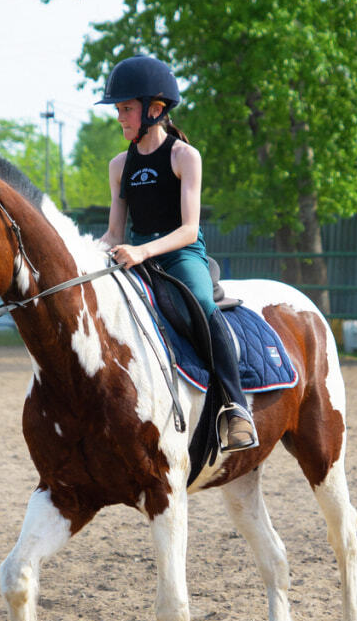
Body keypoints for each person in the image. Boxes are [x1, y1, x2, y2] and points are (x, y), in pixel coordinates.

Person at [96, 55, 258, 452]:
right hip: (135, 253)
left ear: (156, 110)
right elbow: (114, 232)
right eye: (118, 109)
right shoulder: (119, 165)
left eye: (127, 109)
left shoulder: (184, 156)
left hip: (180, 253)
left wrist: (142, 250)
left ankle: (236, 407)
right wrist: (82, 254)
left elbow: (188, 229)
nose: (121, 117)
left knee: (202, 303)